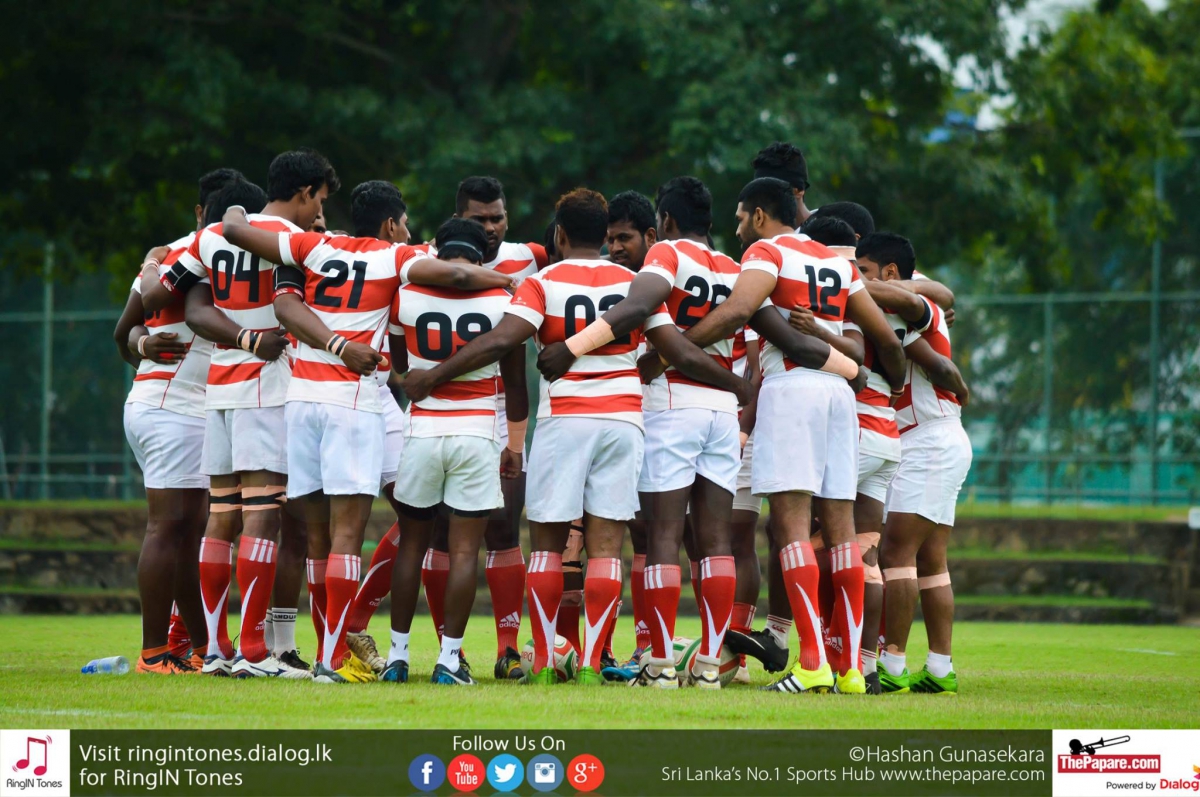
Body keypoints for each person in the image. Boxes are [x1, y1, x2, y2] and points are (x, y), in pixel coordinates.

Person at [402, 188, 750, 686]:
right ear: (603, 235)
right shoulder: (631, 283)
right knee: (607, 547)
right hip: (624, 420)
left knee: (547, 543)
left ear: (560, 235)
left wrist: (433, 377)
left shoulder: (542, 282)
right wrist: (737, 386)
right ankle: (590, 662)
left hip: (566, 419)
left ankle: (546, 660)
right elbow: (675, 348)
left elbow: (501, 340)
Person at [221, 181, 514, 684]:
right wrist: (506, 282)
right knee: (347, 536)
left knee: (315, 536)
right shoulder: (395, 257)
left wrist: (231, 205)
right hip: (352, 402)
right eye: (405, 224)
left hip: (300, 400)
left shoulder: (312, 245)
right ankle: (333, 659)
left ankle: (323, 651)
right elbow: (458, 273)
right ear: (390, 225)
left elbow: (234, 231)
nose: (409, 233)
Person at [656, 177, 903, 694]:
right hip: (840, 397)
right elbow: (879, 339)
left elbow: (737, 311)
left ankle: (811, 664)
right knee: (841, 532)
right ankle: (850, 671)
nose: (738, 229)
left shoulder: (767, 251)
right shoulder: (836, 262)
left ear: (760, 216)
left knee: (791, 528)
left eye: (741, 218)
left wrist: (671, 351)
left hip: (792, 390)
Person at [536, 177, 753, 689]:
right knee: (716, 541)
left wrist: (574, 347)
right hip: (721, 412)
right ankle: (709, 667)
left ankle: (658, 663)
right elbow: (748, 326)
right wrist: (738, 388)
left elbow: (640, 310)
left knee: (662, 539)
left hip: (670, 405)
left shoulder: (667, 255)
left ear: (667, 222)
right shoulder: (734, 267)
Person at [146, 149, 339, 678]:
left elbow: (167, 297)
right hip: (267, 387)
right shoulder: (292, 242)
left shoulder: (211, 235)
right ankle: (254, 649)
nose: (318, 212)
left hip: (217, 387)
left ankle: (215, 648)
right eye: (319, 200)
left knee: (222, 515)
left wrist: (152, 260)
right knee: (262, 514)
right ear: (304, 193)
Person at [380, 217, 527, 686]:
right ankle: (448, 661)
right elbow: (516, 386)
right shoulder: (503, 300)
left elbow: (401, 367)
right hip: (477, 433)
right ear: (483, 255)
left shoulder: (404, 294)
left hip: (422, 431)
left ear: (437, 252)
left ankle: (398, 657)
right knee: (465, 551)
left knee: (412, 546)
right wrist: (514, 446)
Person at [113, 168, 248, 674]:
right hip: (173, 409)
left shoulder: (166, 255)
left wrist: (143, 343)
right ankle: (153, 653)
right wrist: (145, 343)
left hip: (168, 406)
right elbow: (135, 327)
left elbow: (124, 333)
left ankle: (203, 646)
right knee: (168, 530)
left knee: (189, 535)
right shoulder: (203, 257)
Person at [417, 176, 549, 680]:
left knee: (503, 526)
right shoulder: (424, 260)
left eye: (498, 217)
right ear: (459, 219)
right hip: (438, 411)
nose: (491, 228)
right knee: (436, 531)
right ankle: (448, 649)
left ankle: (507, 648)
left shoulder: (530, 258)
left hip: (500, 413)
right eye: (480, 219)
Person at [852, 232, 971, 696]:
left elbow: (937, 363)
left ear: (889, 272)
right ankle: (939, 669)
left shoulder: (904, 307)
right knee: (931, 560)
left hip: (929, 439)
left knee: (895, 553)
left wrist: (960, 387)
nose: (857, 279)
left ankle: (893, 665)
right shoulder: (911, 295)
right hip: (934, 438)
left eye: (863, 271)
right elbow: (939, 293)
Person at [752, 142, 813, 227]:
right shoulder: (762, 232)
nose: (763, 200)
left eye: (772, 192)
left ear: (798, 191)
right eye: (758, 192)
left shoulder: (827, 231)